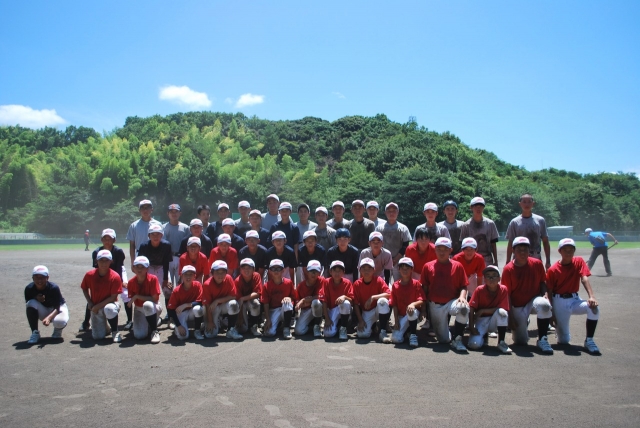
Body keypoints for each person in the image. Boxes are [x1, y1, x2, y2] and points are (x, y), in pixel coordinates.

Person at [546, 238, 601, 355]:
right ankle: (560, 330)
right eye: (565, 250)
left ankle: (589, 340)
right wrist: (551, 312)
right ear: (560, 251)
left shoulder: (579, 261)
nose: (568, 252)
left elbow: (584, 278)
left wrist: (591, 296)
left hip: (575, 299)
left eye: (571, 249)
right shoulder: (553, 270)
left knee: (593, 308)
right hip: (559, 301)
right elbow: (549, 291)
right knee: (564, 340)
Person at [501, 237, 553, 354]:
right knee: (520, 341)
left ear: (529, 250)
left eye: (525, 249)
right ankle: (525, 320)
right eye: (519, 250)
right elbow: (506, 295)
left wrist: (545, 295)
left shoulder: (537, 264)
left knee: (544, 305)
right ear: (513, 251)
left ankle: (543, 339)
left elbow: (542, 282)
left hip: (533, 300)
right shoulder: (508, 269)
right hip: (517, 305)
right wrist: (510, 317)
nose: (523, 252)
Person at [421, 237, 469, 352]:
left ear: (450, 250)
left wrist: (462, 297)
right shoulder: (428, 266)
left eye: (445, 249)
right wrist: (424, 307)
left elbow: (464, 285)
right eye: (439, 249)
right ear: (435, 250)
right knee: (443, 340)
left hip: (452, 301)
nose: (442, 252)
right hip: (435, 304)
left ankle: (458, 338)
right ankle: (450, 333)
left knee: (464, 308)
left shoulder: (457, 266)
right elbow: (424, 289)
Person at [81, 228, 128, 332]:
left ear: (114, 240)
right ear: (101, 240)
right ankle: (86, 322)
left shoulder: (118, 251)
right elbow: (96, 269)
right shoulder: (96, 252)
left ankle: (129, 321)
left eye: (109, 239)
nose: (107, 241)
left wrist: (121, 281)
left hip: (117, 272)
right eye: (105, 239)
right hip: (102, 272)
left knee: (125, 293)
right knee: (95, 295)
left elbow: (119, 267)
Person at [80, 250, 123, 343]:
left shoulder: (115, 276)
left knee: (109, 309)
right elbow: (84, 288)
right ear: (96, 261)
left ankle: (115, 331)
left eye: (107, 260)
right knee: (98, 337)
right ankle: (106, 328)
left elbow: (113, 297)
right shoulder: (89, 275)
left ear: (111, 261)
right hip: (96, 306)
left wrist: (96, 307)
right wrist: (89, 302)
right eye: (101, 260)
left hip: (111, 304)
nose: (104, 263)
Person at [467, 265, 512, 354]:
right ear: (484, 279)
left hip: (495, 320)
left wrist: (483, 310)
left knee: (502, 312)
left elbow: (503, 308)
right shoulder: (479, 290)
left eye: (494, 276)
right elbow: (471, 308)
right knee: (474, 345)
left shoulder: (503, 289)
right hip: (481, 320)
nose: (491, 279)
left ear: (499, 278)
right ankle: (483, 337)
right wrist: (471, 327)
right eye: (488, 276)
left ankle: (501, 342)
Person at [137, 223, 173, 322]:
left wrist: (165, 279)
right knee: (146, 290)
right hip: (148, 268)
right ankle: (149, 314)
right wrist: (141, 277)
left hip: (162, 267)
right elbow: (140, 263)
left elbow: (166, 262)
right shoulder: (144, 246)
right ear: (149, 236)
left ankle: (170, 317)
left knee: (168, 290)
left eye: (158, 234)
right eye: (153, 234)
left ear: (162, 235)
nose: (155, 237)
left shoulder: (166, 245)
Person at [505, 194, 551, 269]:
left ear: (533, 203)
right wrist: (507, 261)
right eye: (524, 202)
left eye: (529, 202)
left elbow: (545, 241)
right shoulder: (514, 222)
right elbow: (510, 243)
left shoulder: (540, 220)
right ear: (520, 204)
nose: (527, 204)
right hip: (518, 260)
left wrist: (548, 260)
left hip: (536, 257)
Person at [25, 265, 69, 344]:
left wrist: (49, 318)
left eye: (42, 277)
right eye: (36, 277)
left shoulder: (53, 288)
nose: (39, 280)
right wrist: (36, 298)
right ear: (33, 278)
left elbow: (57, 307)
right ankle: (35, 332)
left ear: (47, 278)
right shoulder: (29, 289)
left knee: (60, 322)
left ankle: (57, 330)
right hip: (43, 309)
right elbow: (29, 308)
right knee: (30, 303)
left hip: (57, 309)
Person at [201, 260, 243, 340]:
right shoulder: (207, 284)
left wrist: (217, 301)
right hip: (212, 308)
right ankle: (213, 321)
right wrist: (210, 322)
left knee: (234, 304)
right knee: (210, 335)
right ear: (212, 273)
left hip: (223, 305)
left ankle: (230, 330)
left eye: (223, 272)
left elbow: (233, 296)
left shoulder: (229, 278)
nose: (220, 275)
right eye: (217, 272)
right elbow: (207, 304)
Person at [389, 257, 425, 347]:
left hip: (414, 313)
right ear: (399, 269)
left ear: (412, 269)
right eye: (402, 268)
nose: (405, 271)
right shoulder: (395, 285)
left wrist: (414, 305)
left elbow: (422, 299)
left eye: (407, 268)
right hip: (401, 316)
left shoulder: (416, 283)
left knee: (411, 311)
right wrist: (396, 321)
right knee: (396, 339)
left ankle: (413, 335)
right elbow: (394, 304)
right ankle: (407, 331)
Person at [352, 258, 391, 340]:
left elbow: (388, 294)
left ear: (374, 270)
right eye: (364, 268)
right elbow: (355, 303)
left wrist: (373, 297)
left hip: (377, 309)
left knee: (383, 301)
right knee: (362, 334)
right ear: (360, 270)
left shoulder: (378, 280)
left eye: (369, 268)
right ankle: (373, 326)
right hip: (367, 312)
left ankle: (382, 331)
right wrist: (360, 321)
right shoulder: (357, 284)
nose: (366, 271)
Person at [126, 256, 161, 344]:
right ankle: (151, 321)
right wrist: (136, 297)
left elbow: (154, 298)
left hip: (153, 306)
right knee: (139, 335)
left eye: (142, 267)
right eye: (137, 266)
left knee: (147, 305)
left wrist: (137, 296)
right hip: (139, 309)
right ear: (133, 268)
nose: (139, 269)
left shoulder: (153, 279)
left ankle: (154, 331)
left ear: (147, 269)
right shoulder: (131, 282)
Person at [167, 265, 205, 341]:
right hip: (181, 313)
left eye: (191, 274)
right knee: (183, 337)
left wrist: (186, 305)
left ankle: (197, 330)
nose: (188, 277)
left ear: (194, 276)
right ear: (182, 276)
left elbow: (201, 301)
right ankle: (179, 327)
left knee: (198, 309)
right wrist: (178, 325)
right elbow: (171, 309)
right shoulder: (177, 290)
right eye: (186, 274)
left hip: (191, 311)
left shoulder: (198, 285)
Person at [375, 202, 411, 282]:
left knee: (399, 282)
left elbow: (405, 245)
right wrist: (386, 258)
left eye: (394, 211)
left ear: (398, 212)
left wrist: (395, 259)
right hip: (383, 260)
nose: (391, 213)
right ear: (385, 213)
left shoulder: (403, 228)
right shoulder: (379, 228)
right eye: (389, 211)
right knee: (384, 282)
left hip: (399, 261)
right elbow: (376, 243)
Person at [459, 197, 499, 267]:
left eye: (481, 206)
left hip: (487, 259)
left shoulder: (490, 224)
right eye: (476, 206)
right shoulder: (466, 225)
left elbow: (493, 244)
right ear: (471, 207)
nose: (478, 208)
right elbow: (463, 246)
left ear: (483, 208)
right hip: (472, 259)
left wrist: (496, 261)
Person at [262, 259, 297, 339]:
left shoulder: (288, 282)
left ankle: (286, 328)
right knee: (269, 333)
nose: (276, 271)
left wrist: (289, 298)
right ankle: (278, 325)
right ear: (270, 271)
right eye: (273, 269)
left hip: (285, 308)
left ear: (283, 270)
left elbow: (294, 297)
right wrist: (268, 319)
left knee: (287, 303)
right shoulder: (266, 286)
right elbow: (266, 304)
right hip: (273, 310)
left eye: (278, 268)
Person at [320, 260, 354, 340]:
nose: (337, 273)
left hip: (344, 309)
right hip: (332, 310)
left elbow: (352, 301)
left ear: (343, 272)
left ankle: (343, 328)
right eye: (335, 270)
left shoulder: (347, 283)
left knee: (346, 303)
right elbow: (324, 301)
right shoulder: (326, 282)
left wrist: (345, 297)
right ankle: (338, 325)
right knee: (328, 334)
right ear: (330, 272)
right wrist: (327, 319)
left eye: (339, 271)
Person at [294, 260, 326, 337]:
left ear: (319, 273)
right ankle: (310, 327)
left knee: (316, 303)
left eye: (316, 271)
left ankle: (317, 326)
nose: (313, 274)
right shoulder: (301, 286)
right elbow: (297, 305)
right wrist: (301, 304)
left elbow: (321, 296)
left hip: (319, 309)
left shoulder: (322, 281)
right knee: (298, 331)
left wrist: (304, 300)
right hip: (306, 310)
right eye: (311, 271)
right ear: (307, 272)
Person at [163, 203, 190, 287]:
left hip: (180, 257)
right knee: (168, 285)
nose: (174, 214)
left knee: (180, 284)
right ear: (168, 213)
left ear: (180, 213)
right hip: (168, 258)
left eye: (176, 212)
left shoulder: (185, 227)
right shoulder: (163, 227)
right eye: (171, 212)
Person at [234, 258, 263, 336]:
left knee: (256, 304)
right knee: (243, 329)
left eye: (249, 268)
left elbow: (257, 293)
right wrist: (240, 317)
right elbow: (239, 300)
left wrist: (243, 298)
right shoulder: (237, 281)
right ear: (240, 270)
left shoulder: (256, 276)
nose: (246, 270)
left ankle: (254, 326)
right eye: (244, 268)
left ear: (253, 269)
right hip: (241, 304)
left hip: (250, 301)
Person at [126, 199, 155, 268]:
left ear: (152, 209)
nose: (145, 210)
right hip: (139, 255)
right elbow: (132, 245)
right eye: (143, 208)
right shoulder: (134, 225)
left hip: (154, 254)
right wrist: (132, 262)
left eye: (148, 208)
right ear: (139, 210)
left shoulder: (157, 224)